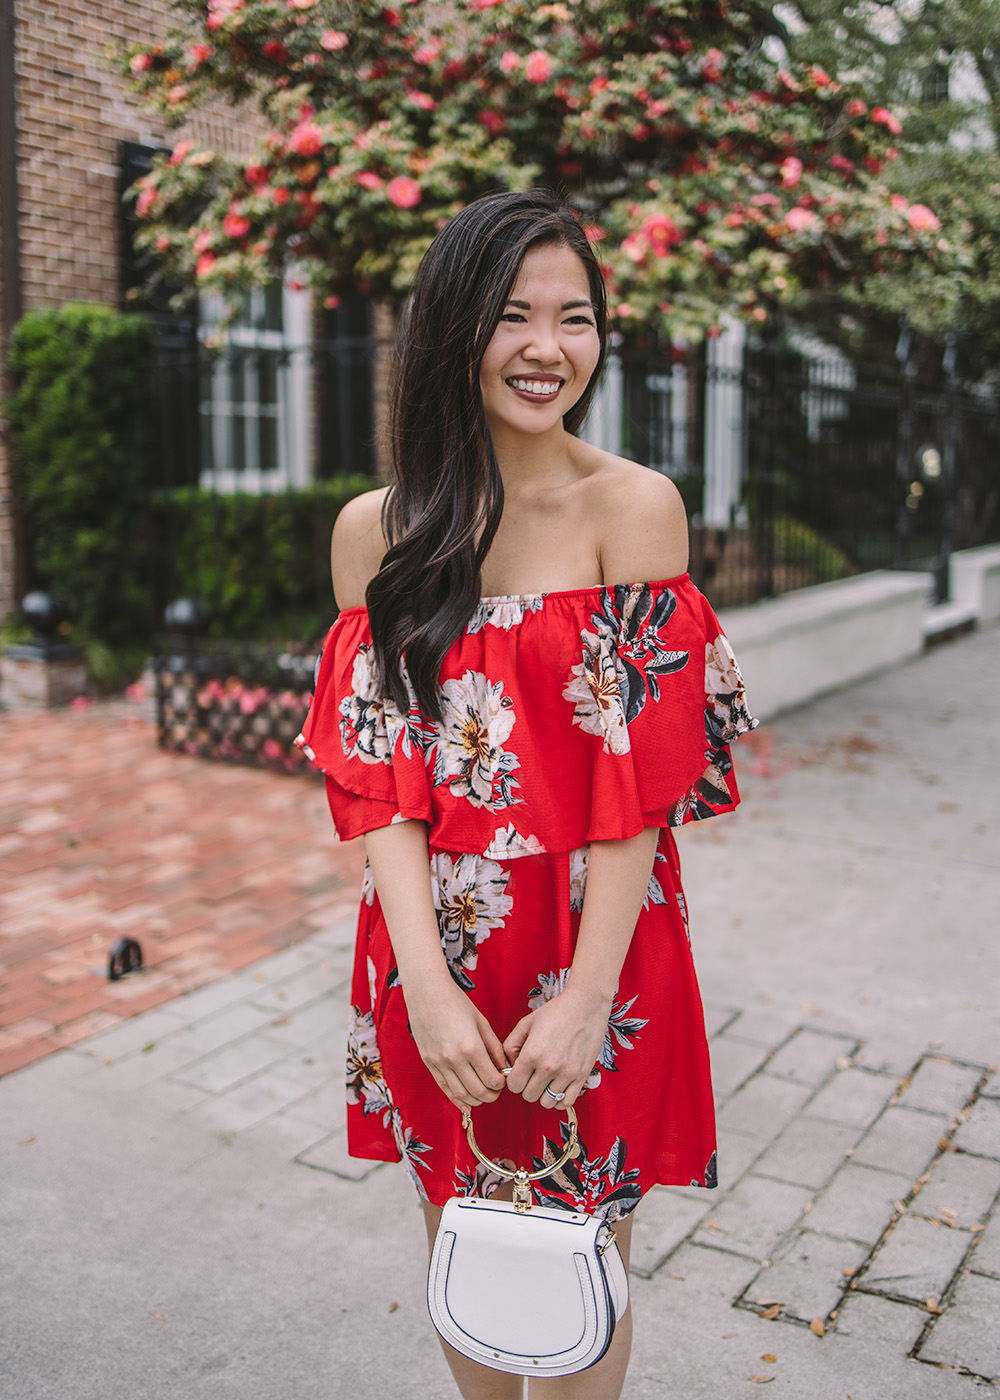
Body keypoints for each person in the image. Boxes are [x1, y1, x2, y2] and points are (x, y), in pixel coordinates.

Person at [297, 188, 756, 1400]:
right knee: (466, 1242)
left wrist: (586, 997)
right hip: (430, 945)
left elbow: (641, 785)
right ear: (455, 330)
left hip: (597, 935)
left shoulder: (633, 508)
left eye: (576, 317)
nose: (548, 348)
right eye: (512, 316)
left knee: (579, 1252)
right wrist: (430, 991)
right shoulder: (375, 531)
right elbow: (377, 778)